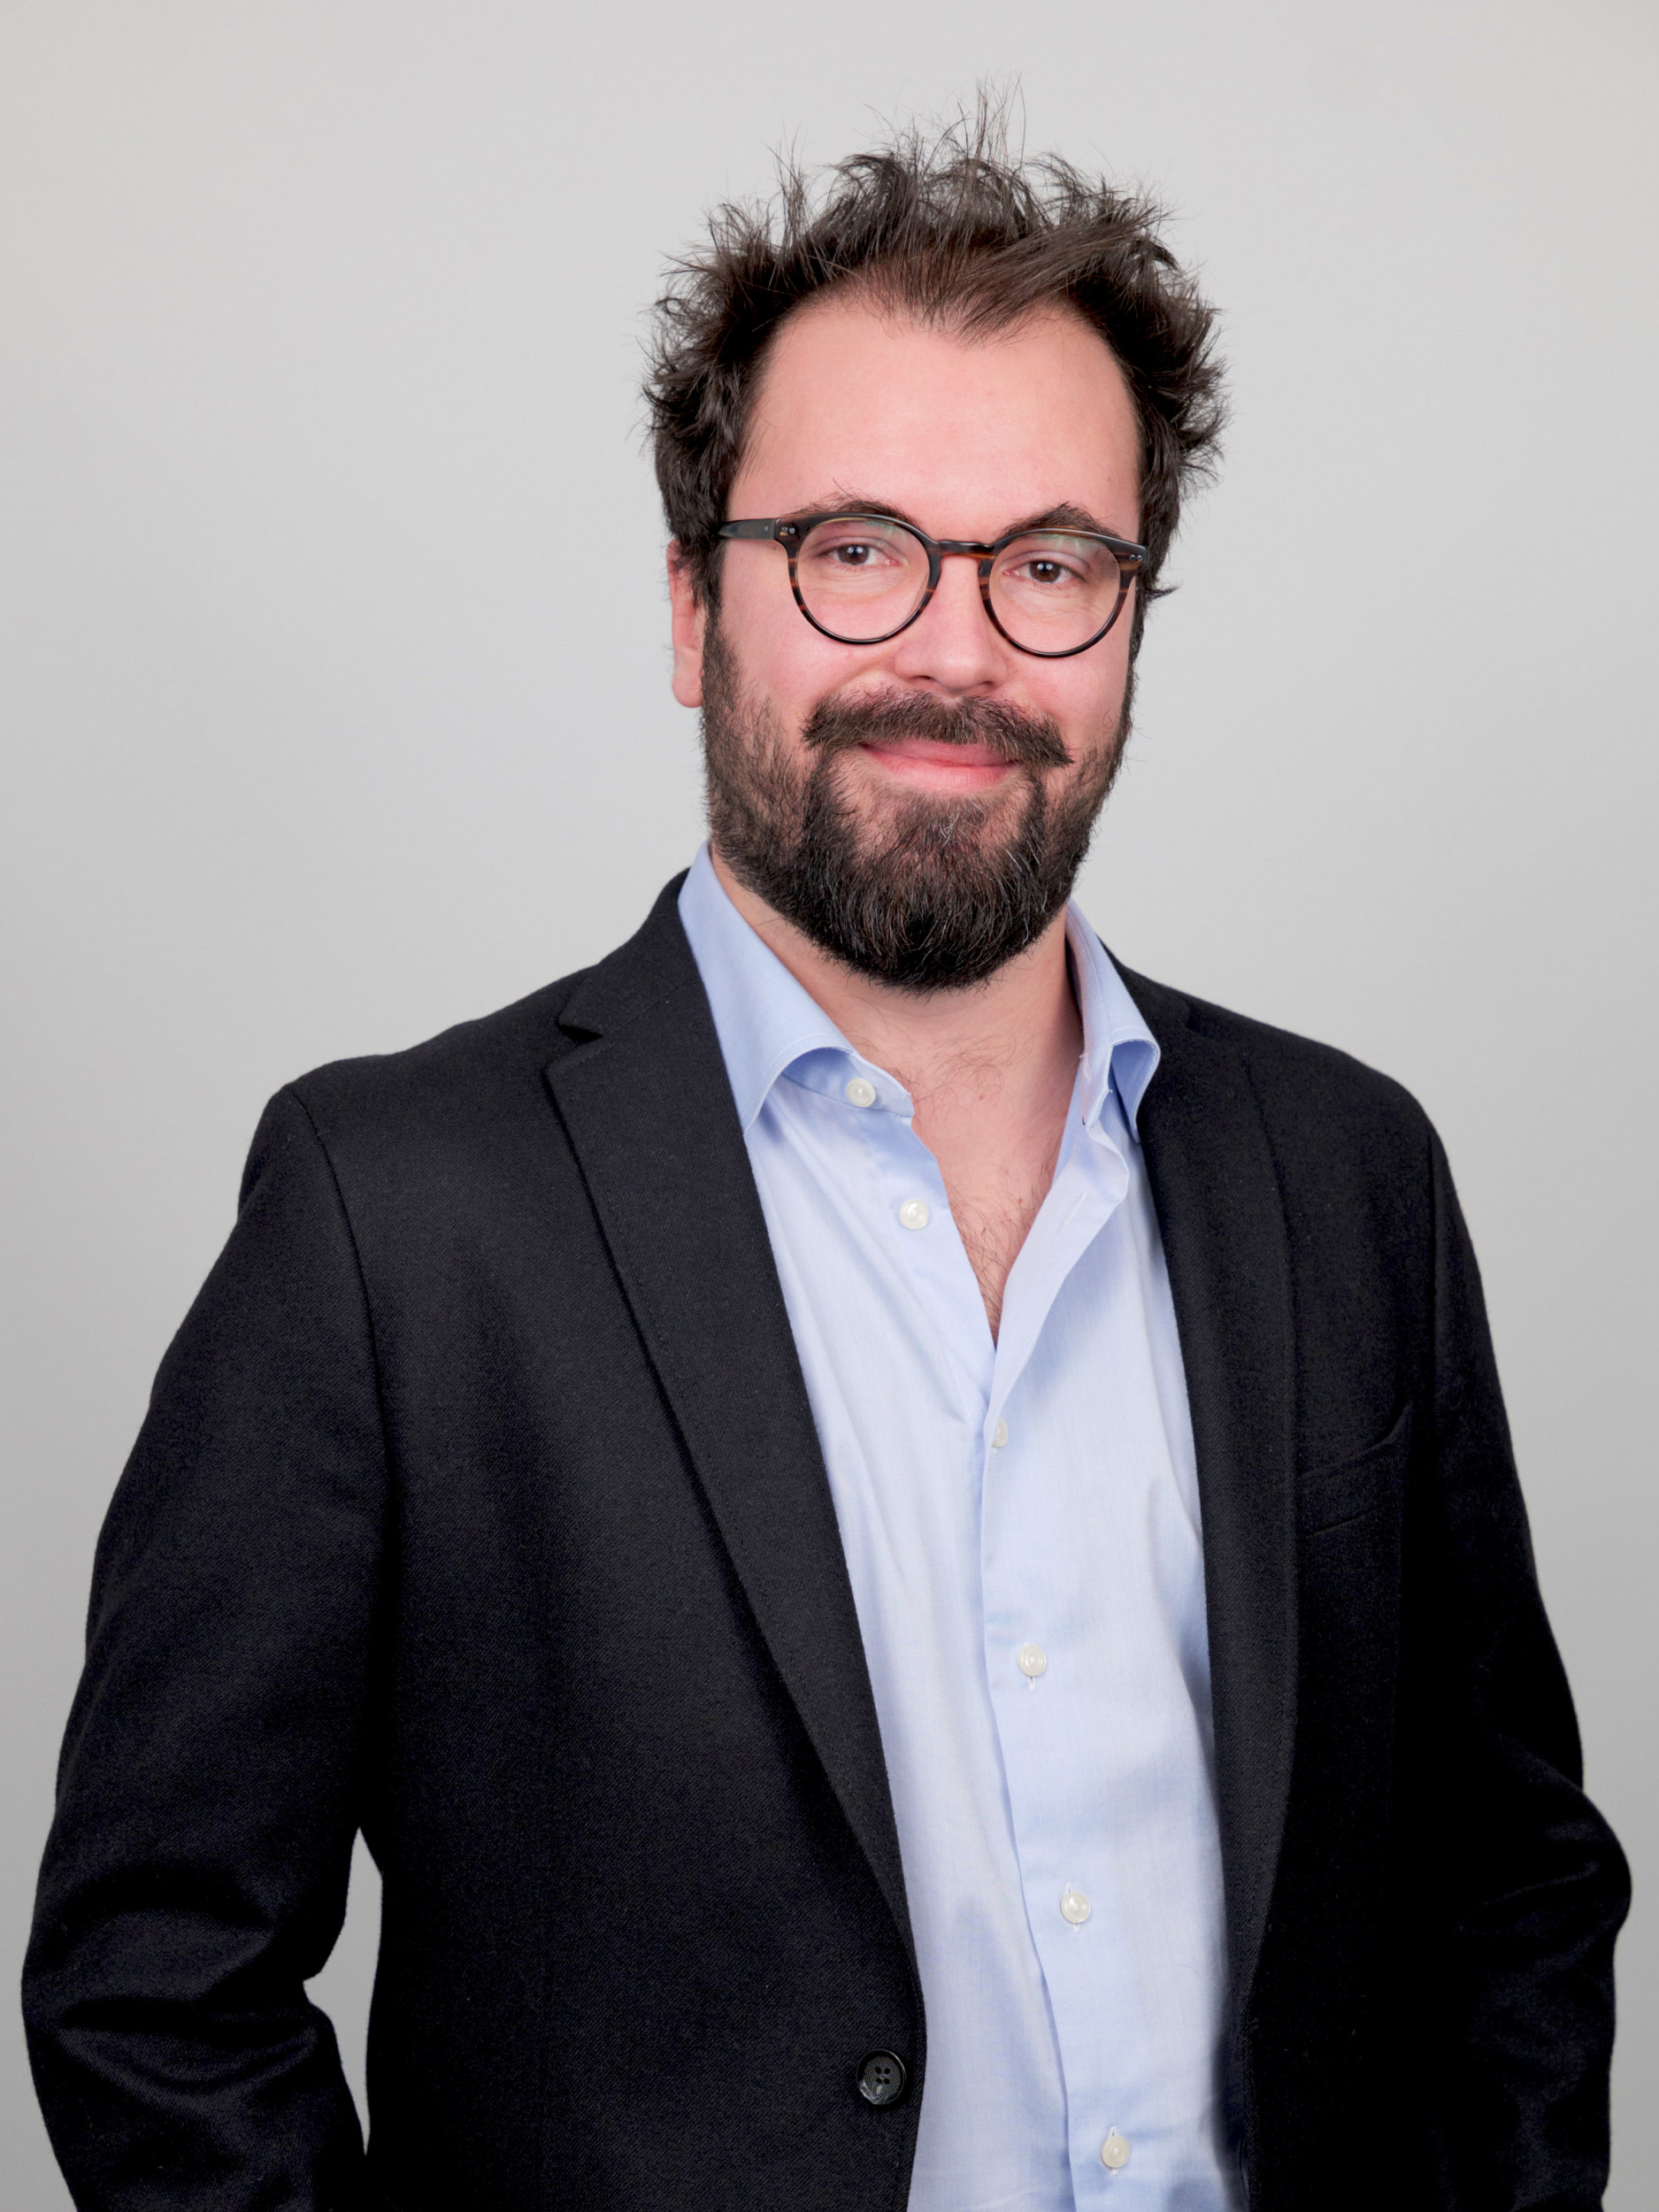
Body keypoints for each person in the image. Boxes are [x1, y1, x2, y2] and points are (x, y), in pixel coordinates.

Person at [23, 116, 1628, 2212]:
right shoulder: (390, 1215)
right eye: (854, 548)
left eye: (1048, 561)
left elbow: (1508, 1883)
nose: (955, 652)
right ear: (693, 607)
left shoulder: (1346, 1176)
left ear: (1128, 623)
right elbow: (156, 1982)